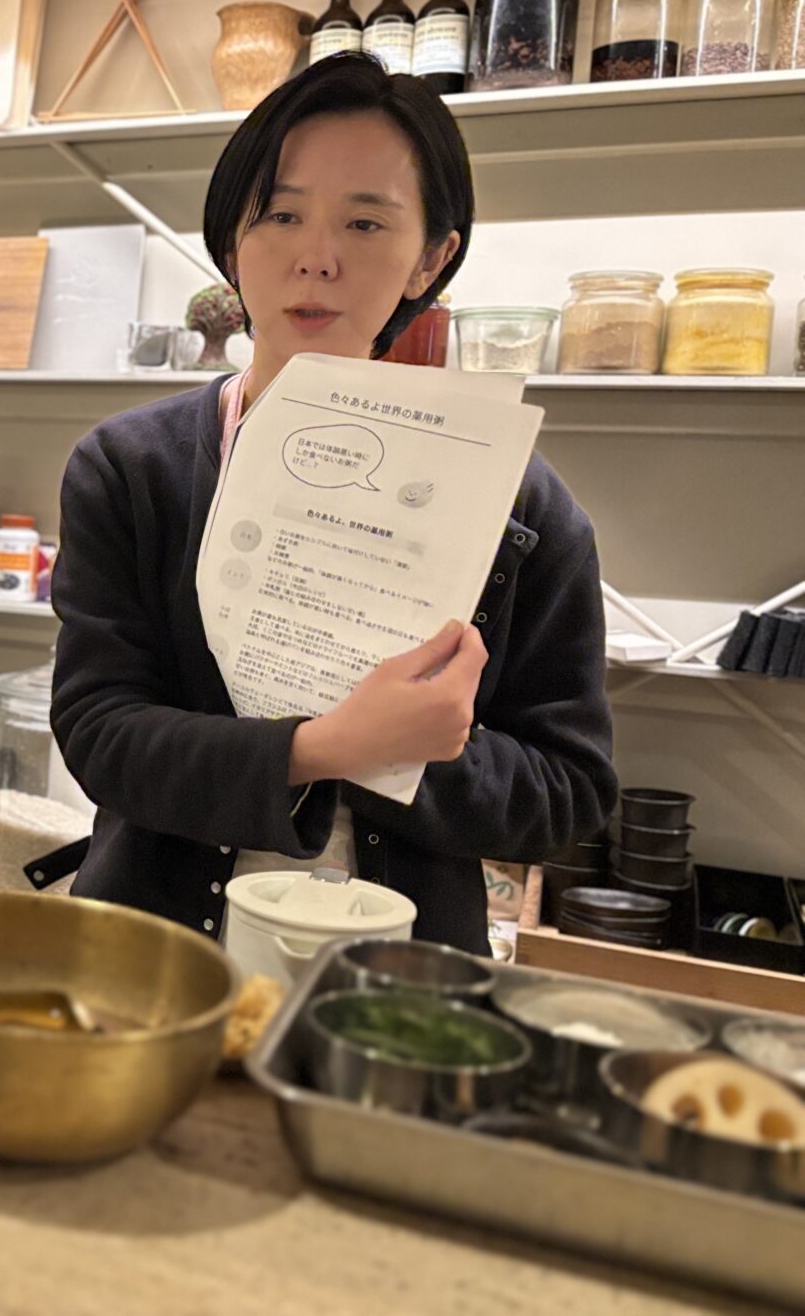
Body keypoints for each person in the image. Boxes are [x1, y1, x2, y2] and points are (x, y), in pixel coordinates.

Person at [49, 54, 617, 955]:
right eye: (280, 215)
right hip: (156, 967)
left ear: (432, 258)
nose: (316, 258)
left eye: (364, 221)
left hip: (397, 987)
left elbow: (569, 792)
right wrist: (327, 747)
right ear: (231, 242)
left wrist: (434, 750)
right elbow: (99, 735)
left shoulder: (519, 501)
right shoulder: (130, 468)